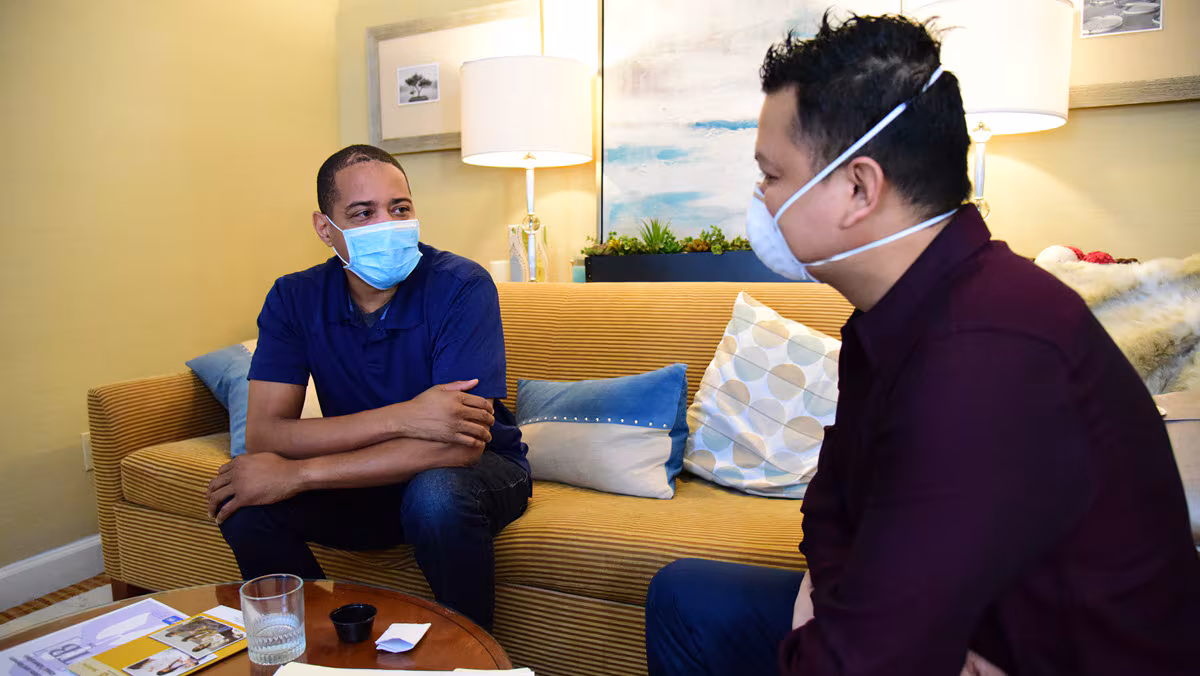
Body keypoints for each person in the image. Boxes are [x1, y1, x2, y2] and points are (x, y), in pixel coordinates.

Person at [644, 13, 1200, 676]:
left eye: (771, 174)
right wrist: (828, 613)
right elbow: (830, 512)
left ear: (859, 188)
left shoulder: (987, 350)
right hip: (944, 627)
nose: (759, 197)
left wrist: (859, 637)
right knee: (686, 597)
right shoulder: (887, 316)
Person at [204, 144, 531, 631]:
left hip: (479, 469)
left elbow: (459, 449)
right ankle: (322, 651)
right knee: (245, 496)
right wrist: (406, 416)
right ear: (324, 228)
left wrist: (299, 474)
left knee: (435, 495)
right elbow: (265, 434)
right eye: (363, 213)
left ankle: (473, 659)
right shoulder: (294, 297)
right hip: (370, 480)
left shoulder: (462, 284)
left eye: (400, 208)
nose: (387, 224)